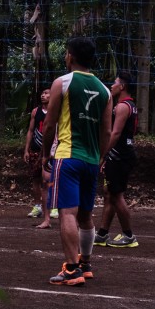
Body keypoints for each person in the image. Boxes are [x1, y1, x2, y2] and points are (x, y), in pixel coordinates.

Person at [40, 36, 112, 286]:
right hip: (91, 160)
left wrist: (45, 153)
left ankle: (71, 269)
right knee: (86, 214)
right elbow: (106, 131)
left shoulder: (63, 83)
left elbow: (50, 124)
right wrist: (100, 157)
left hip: (68, 156)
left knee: (67, 212)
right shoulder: (105, 90)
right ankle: (86, 263)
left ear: (70, 56)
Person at [95, 70, 139, 248]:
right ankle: (103, 234)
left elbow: (115, 133)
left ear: (122, 86)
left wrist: (103, 154)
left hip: (119, 155)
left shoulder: (122, 107)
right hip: (122, 154)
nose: (111, 86)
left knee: (116, 195)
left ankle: (129, 236)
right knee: (109, 193)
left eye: (114, 83)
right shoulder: (130, 105)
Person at [23, 88, 58, 227]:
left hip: (51, 151)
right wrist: (26, 149)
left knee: (51, 179)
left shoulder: (56, 111)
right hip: (36, 150)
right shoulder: (35, 112)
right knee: (36, 178)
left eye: (47, 93)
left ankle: (54, 206)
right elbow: (31, 130)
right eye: (42, 93)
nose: (43, 95)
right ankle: (38, 206)